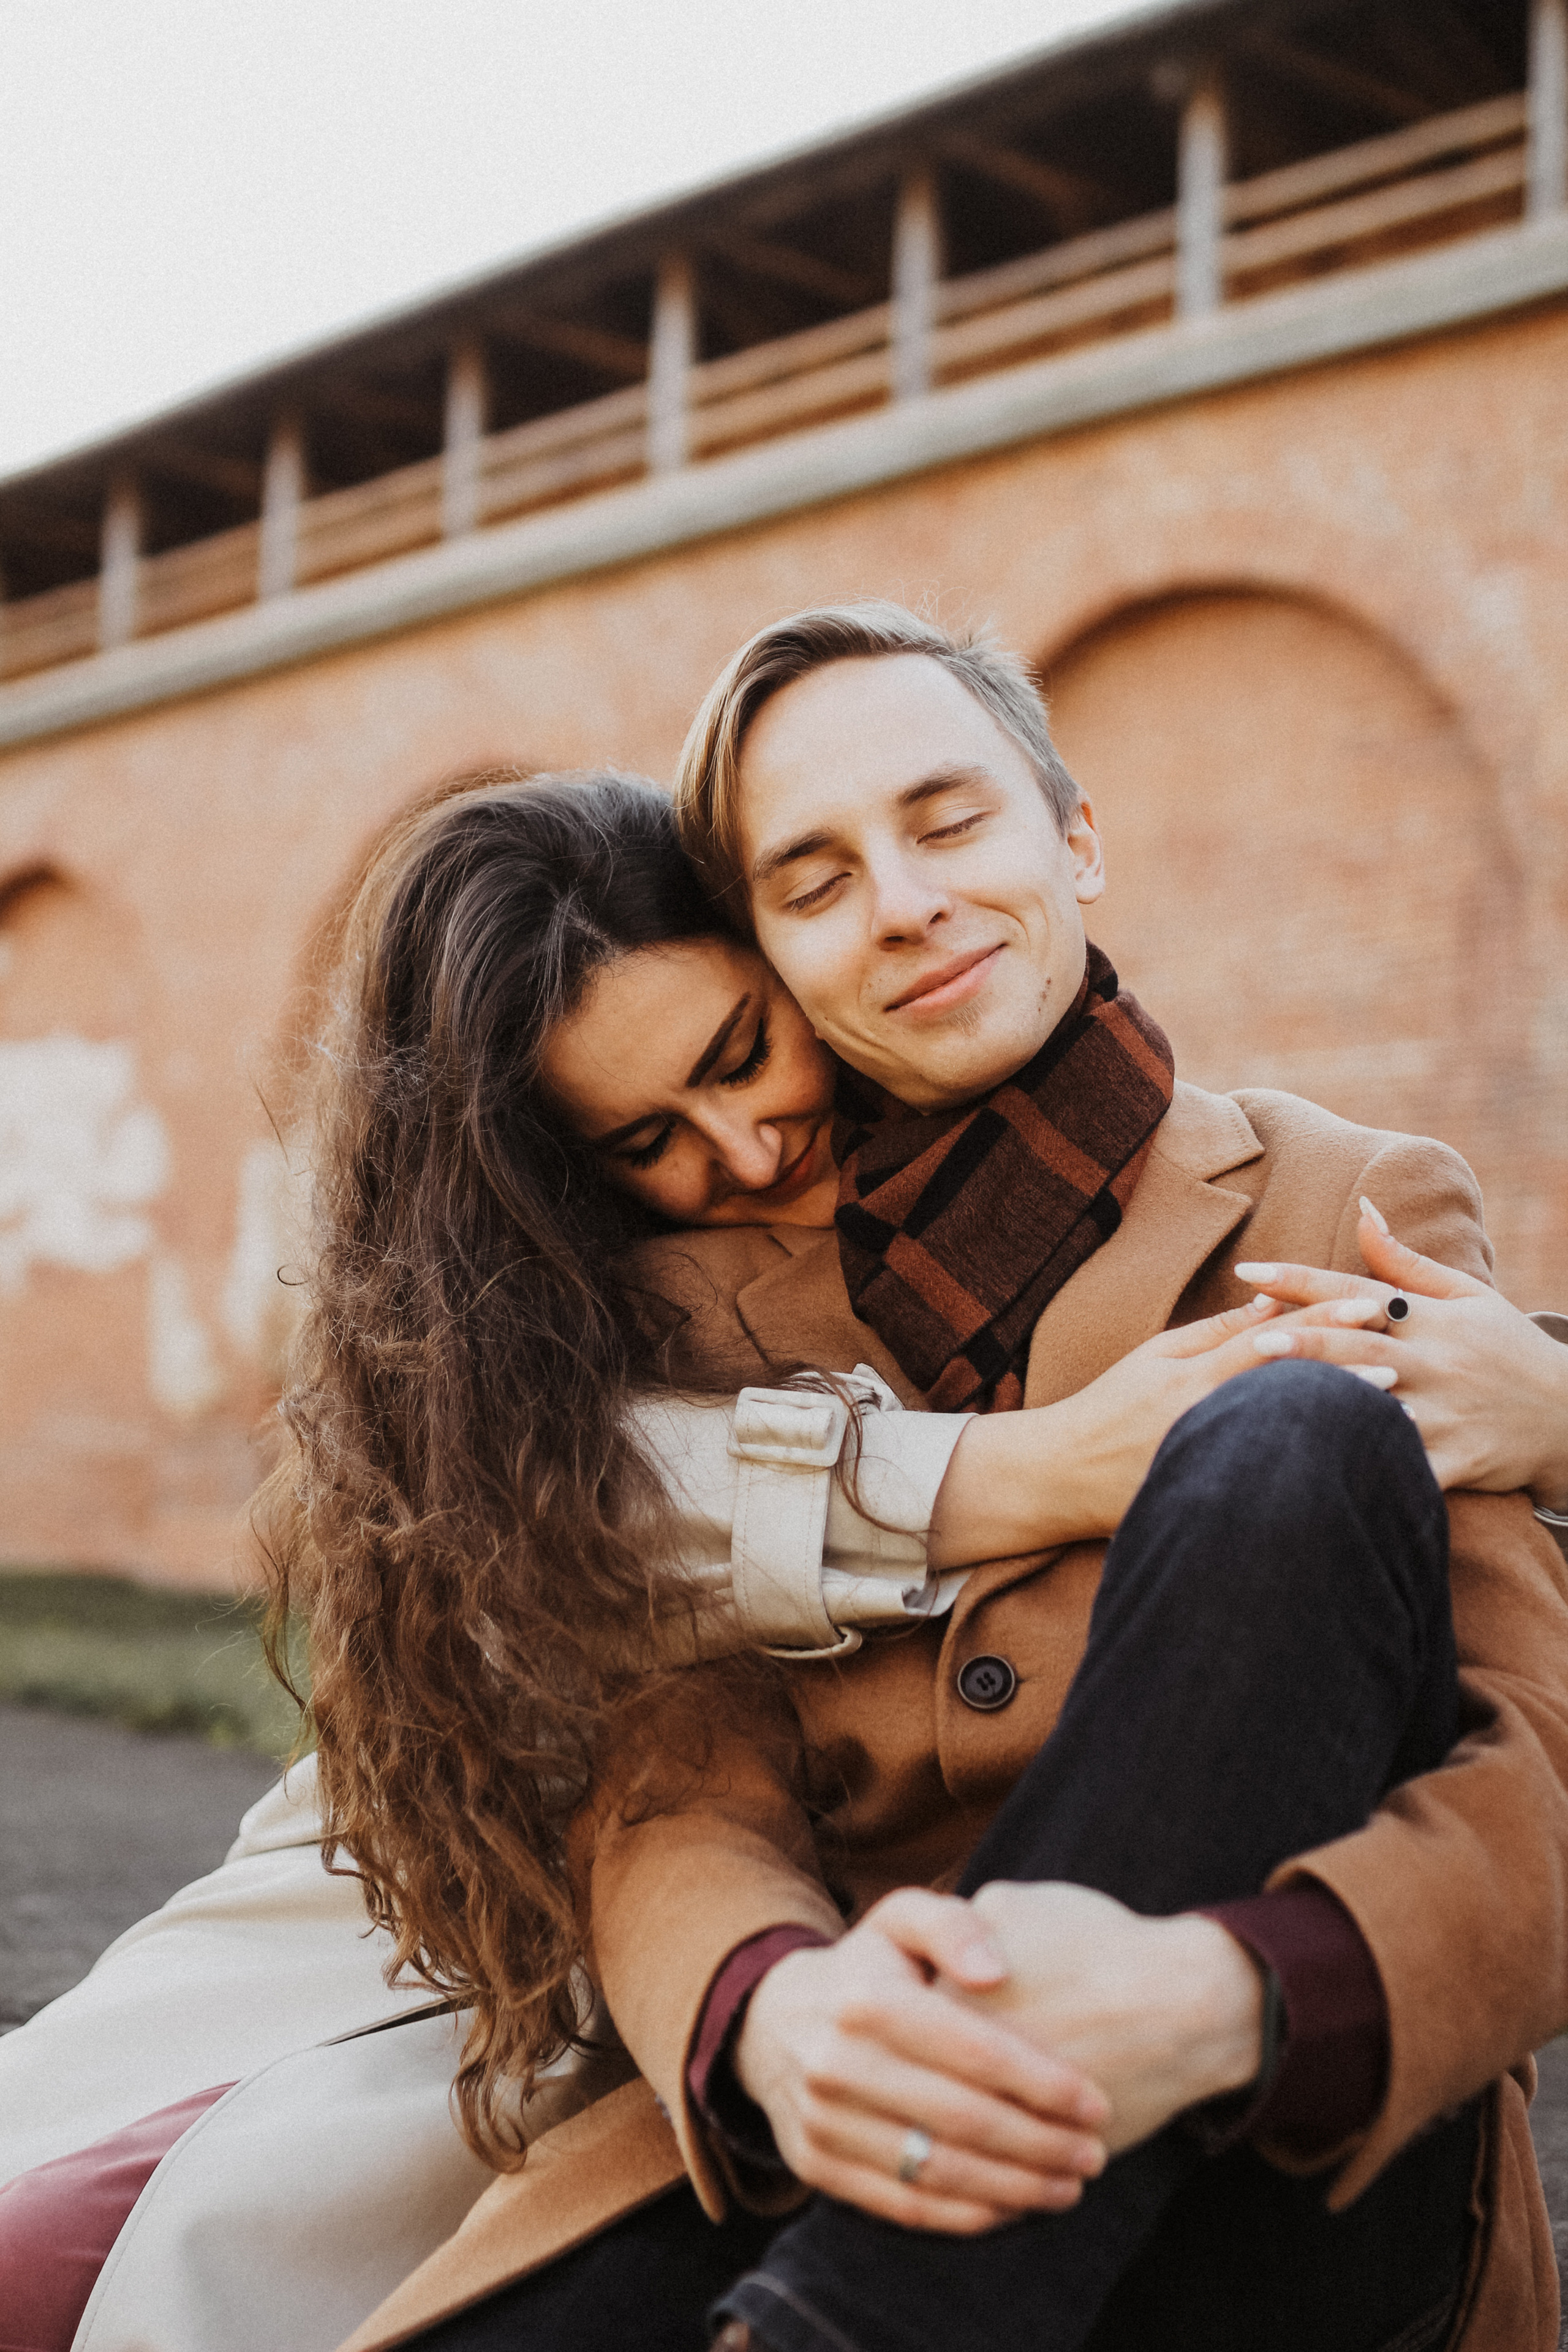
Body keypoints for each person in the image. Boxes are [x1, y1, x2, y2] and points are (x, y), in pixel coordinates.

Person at [0, 770, 1366, 2352]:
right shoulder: (553, 1328)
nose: (744, 1137)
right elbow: (577, 1510)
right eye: (648, 1135)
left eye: (740, 1051)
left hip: (639, 1990)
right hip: (420, 1921)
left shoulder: (1124, 1187)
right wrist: (1026, 1470)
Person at [342, 607, 1568, 2352]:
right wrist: (777, 2013)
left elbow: (1545, 1768)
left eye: (947, 820)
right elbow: (683, 1791)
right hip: (854, 2097)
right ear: (771, 950)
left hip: (1283, 2128)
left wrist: (1220, 1996)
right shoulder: (693, 1307)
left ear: (1073, 833)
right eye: (816, 879)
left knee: (1293, 1439)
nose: (903, 903)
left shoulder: (1338, 1202)